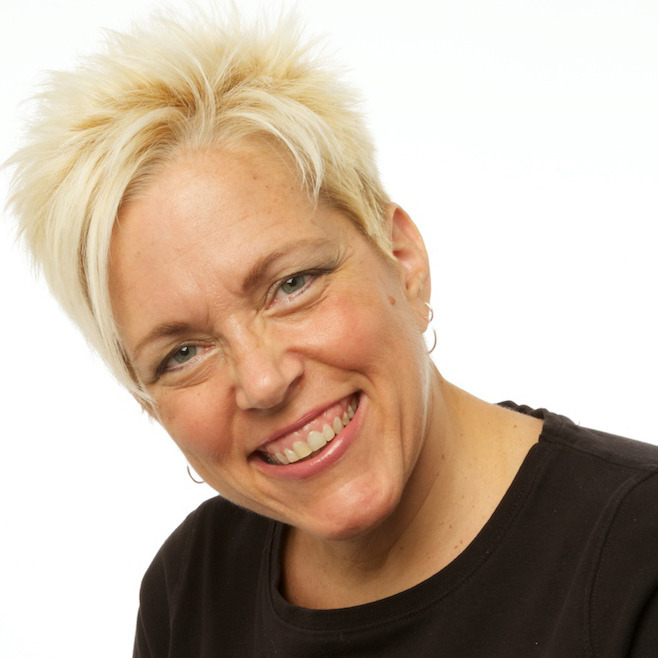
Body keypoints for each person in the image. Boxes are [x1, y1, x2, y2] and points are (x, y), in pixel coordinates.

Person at [8, 9, 658, 657]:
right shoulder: (192, 588)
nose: (263, 381)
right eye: (182, 354)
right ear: (147, 402)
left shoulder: (639, 558)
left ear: (402, 260)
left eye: (291, 285)